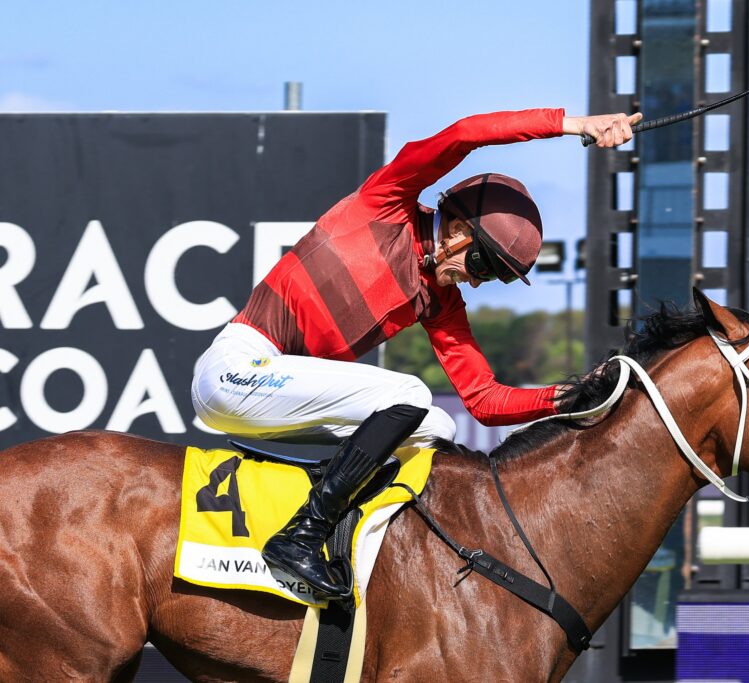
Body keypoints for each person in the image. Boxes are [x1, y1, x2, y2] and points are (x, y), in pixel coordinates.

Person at [191, 107, 642, 600]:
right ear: (455, 230)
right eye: (481, 263)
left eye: (494, 276)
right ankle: (301, 536)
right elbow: (465, 134)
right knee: (408, 391)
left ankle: (346, 540)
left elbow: (484, 401)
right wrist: (574, 124)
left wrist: (572, 395)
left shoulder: (440, 299)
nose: (478, 279)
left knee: (436, 428)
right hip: (237, 371)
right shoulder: (387, 202)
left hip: (279, 402)